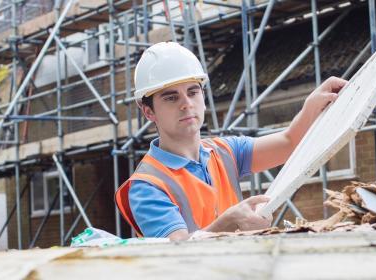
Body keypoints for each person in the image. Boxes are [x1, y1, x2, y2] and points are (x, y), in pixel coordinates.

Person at [115, 42, 347, 241]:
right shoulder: (147, 186)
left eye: (193, 92)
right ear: (148, 112)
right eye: (171, 97)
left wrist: (312, 106)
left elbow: (288, 142)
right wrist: (229, 222)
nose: (186, 103)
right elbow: (179, 254)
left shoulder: (225, 151)